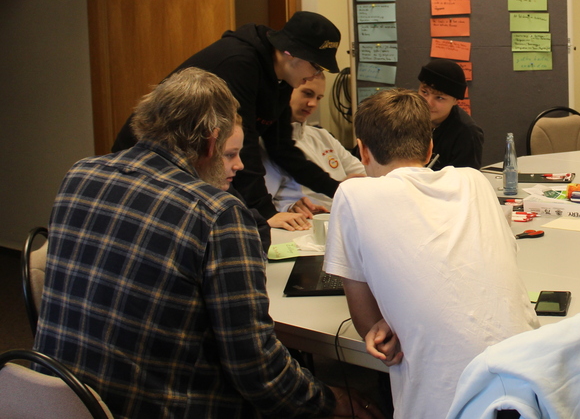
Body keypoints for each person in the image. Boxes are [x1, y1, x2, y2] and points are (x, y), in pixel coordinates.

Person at [35, 68, 381, 419]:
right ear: (210, 142)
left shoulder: (79, 175)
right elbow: (256, 368)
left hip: (64, 400)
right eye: (232, 153)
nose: (240, 165)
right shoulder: (217, 214)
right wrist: (329, 400)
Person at [324, 88, 538, 419]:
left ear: (362, 151)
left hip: (442, 407)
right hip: (531, 388)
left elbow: (367, 325)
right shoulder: (475, 182)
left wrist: (389, 319)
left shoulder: (353, 194)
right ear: (430, 148)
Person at [112, 11, 342, 231]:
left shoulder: (281, 81)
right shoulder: (240, 63)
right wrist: (265, 212)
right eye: (316, 66)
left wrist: (340, 191)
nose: (314, 76)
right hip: (150, 159)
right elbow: (245, 146)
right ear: (291, 52)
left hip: (192, 164)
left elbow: (282, 148)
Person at [263, 72, 365, 215]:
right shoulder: (266, 145)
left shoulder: (321, 136)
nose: (313, 104)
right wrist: (288, 208)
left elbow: (363, 174)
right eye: (307, 94)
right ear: (287, 91)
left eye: (318, 98)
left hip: (343, 217)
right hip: (303, 227)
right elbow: (260, 205)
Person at [417, 58, 484, 170]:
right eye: (424, 92)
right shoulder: (404, 118)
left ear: (455, 101)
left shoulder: (467, 133)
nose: (428, 102)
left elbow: (465, 181)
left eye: (439, 98)